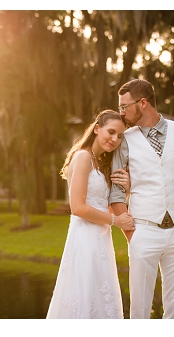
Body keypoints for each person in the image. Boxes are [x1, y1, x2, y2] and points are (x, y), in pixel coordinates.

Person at [110, 79, 174, 319]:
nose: (121, 112)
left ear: (142, 103)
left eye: (124, 106)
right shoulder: (126, 139)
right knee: (140, 311)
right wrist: (133, 235)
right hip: (144, 232)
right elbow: (117, 193)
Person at [47, 110, 135, 319]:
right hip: (85, 238)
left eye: (120, 136)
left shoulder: (100, 161)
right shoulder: (83, 157)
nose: (115, 139)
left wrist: (127, 190)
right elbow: (77, 207)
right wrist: (115, 221)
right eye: (111, 132)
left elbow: (105, 205)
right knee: (85, 295)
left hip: (100, 240)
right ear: (97, 128)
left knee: (101, 295)